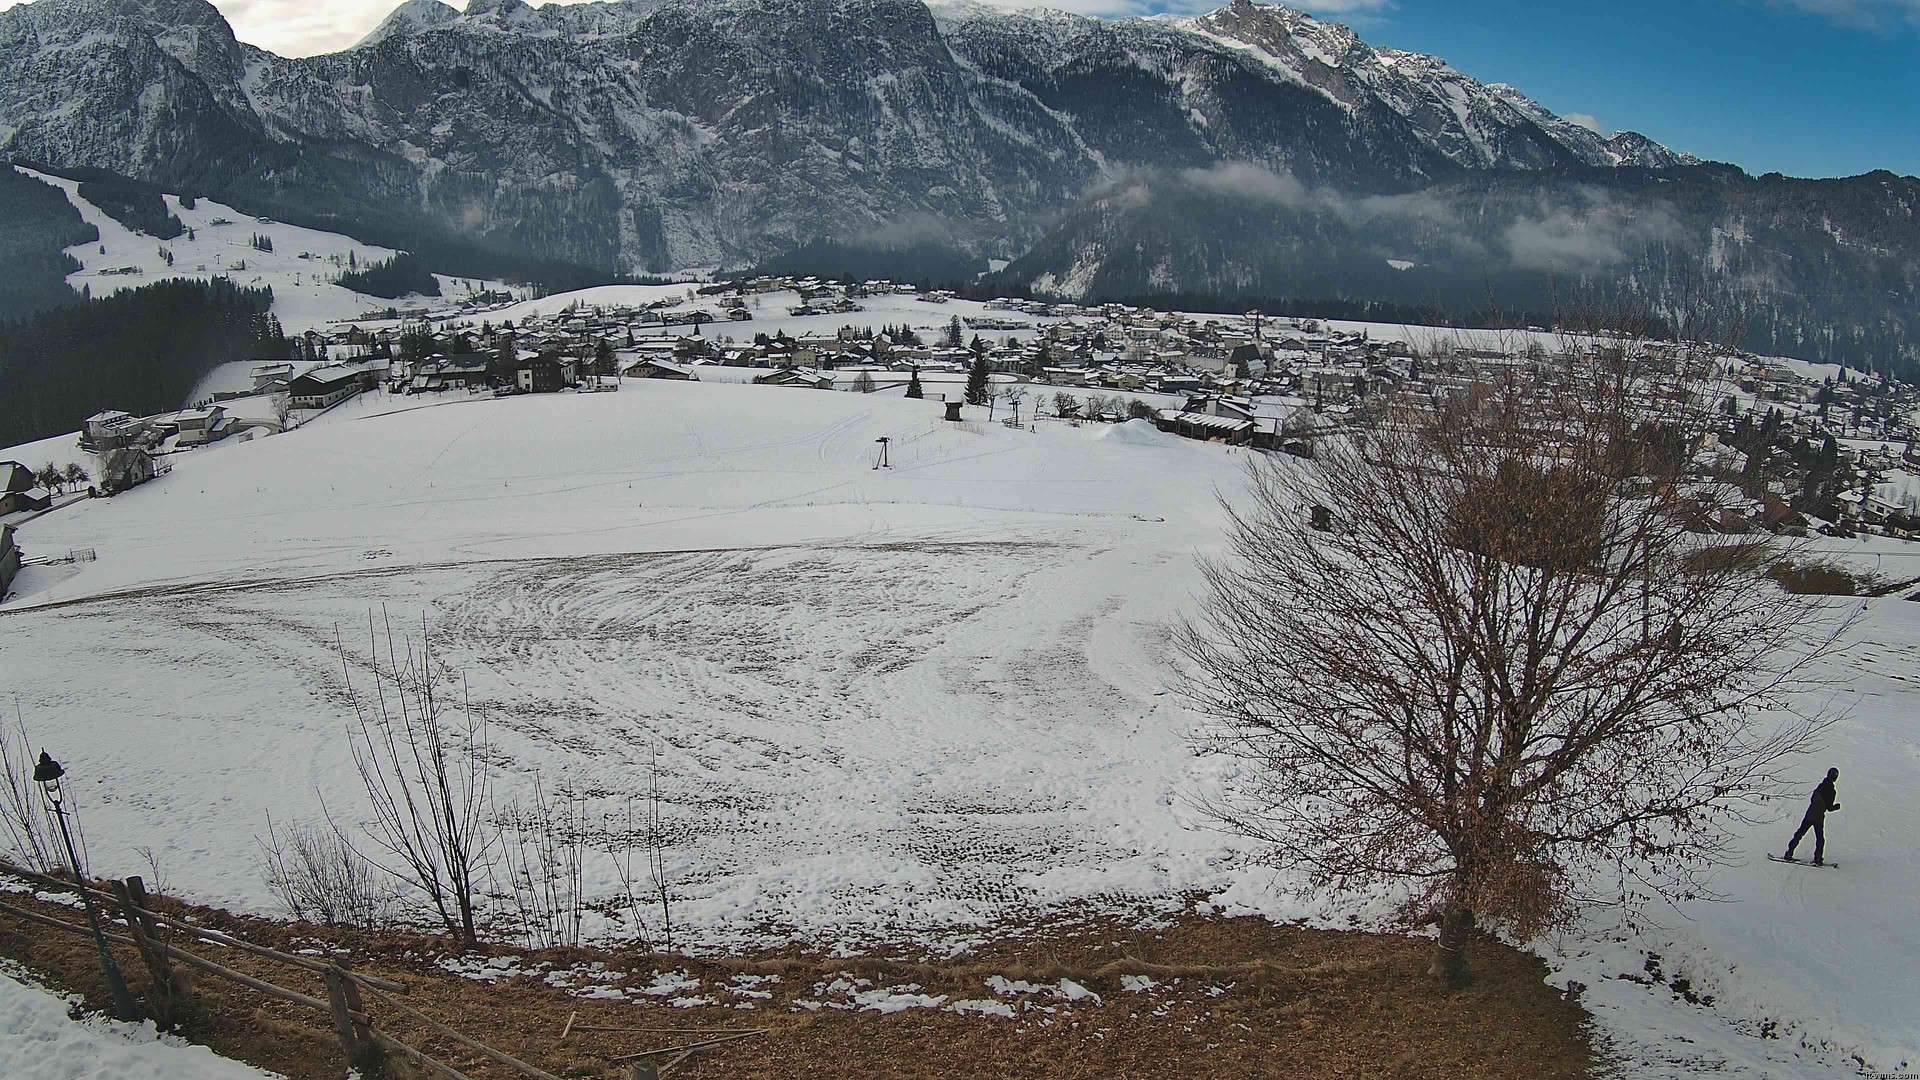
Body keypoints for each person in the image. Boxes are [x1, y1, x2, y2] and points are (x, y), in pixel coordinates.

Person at [1784, 767, 1841, 865]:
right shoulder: (1832, 791)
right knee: (1820, 839)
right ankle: (1818, 859)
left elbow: (1813, 799)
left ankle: (1789, 853)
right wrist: (1836, 807)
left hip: (1810, 814)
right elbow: (1829, 808)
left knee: (1799, 833)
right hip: (1818, 818)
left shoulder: (1820, 786)